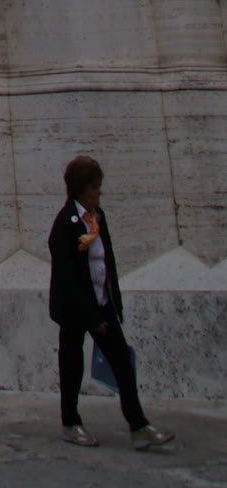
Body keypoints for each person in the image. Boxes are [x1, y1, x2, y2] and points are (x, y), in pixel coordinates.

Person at [48, 155, 174, 450]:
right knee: (72, 365)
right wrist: (92, 317)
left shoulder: (97, 218)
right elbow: (68, 277)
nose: (99, 192)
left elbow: (107, 262)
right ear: (81, 189)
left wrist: (112, 302)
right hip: (76, 310)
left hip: (101, 303)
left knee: (122, 362)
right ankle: (70, 422)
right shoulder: (66, 224)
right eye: (95, 187)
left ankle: (138, 425)